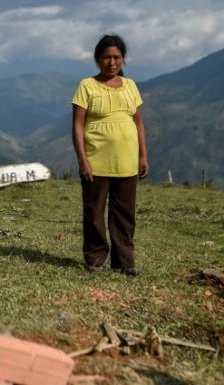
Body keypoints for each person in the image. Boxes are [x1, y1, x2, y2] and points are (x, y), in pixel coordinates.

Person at [71, 34, 148, 276]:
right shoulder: (87, 86)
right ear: (97, 59)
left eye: (116, 57)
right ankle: (95, 259)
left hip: (126, 161)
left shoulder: (131, 86)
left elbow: (138, 123)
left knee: (125, 214)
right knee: (94, 212)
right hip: (96, 161)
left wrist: (143, 156)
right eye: (106, 57)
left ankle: (124, 262)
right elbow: (77, 126)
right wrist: (83, 159)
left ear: (123, 59)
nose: (112, 62)